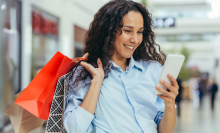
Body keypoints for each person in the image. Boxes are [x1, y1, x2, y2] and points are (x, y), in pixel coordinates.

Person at [64, 1, 179, 133]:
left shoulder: (153, 69)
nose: (135, 39)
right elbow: (73, 129)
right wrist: (96, 83)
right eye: (127, 31)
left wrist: (170, 104)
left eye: (140, 32)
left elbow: (165, 131)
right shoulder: (86, 72)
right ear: (108, 30)